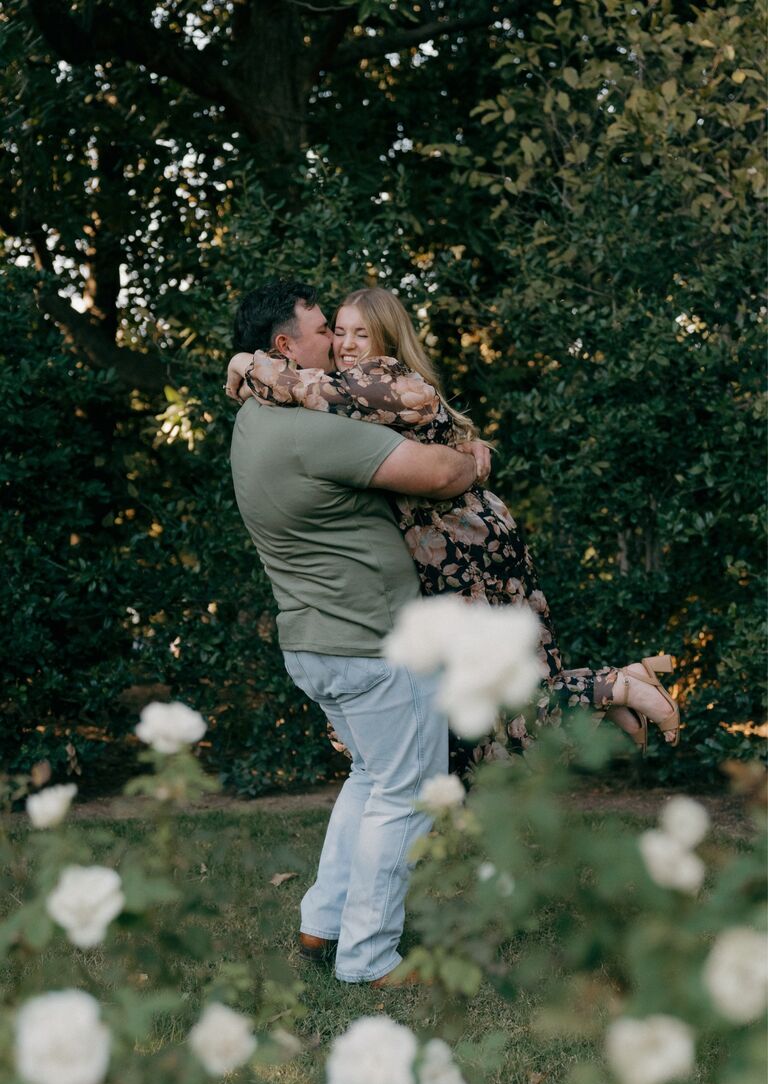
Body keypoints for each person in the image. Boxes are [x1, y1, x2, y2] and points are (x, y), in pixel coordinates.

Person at [227, 286, 680, 768]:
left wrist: (246, 364)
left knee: (505, 708)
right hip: (442, 555)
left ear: (388, 339)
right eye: (338, 332)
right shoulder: (350, 399)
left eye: (363, 333)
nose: (346, 344)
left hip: (466, 551)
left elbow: (306, 387)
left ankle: (619, 686)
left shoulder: (385, 377)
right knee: (475, 721)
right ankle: (615, 694)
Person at [228, 279, 491, 986]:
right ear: (285, 346)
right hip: (369, 643)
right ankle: (369, 961)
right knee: (408, 793)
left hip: (315, 641)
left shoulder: (254, 417)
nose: (337, 348)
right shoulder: (312, 430)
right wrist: (476, 458)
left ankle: (323, 926)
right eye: (322, 332)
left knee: (371, 778)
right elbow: (437, 471)